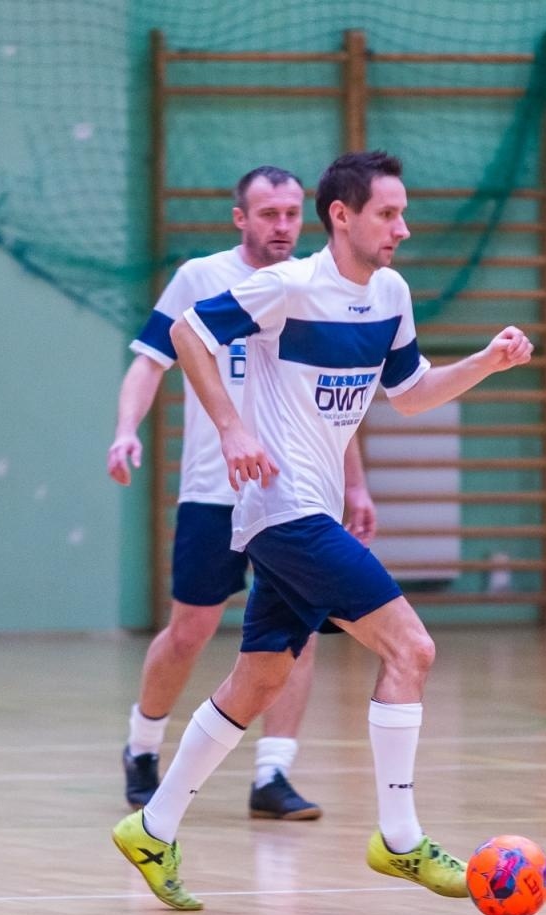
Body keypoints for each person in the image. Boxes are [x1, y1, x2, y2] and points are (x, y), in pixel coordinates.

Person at [112, 149, 532, 910]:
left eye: (403, 214)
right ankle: (400, 839)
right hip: (283, 511)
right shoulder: (289, 286)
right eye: (388, 214)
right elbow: (187, 336)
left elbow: (409, 393)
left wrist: (485, 363)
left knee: (260, 678)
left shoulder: (392, 293)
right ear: (342, 216)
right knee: (412, 648)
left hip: (313, 510)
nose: (402, 228)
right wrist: (232, 428)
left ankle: (152, 826)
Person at [107, 165, 375, 820]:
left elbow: (331, 400)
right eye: (268, 214)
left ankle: (272, 774)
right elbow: (149, 362)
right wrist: (124, 432)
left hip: (293, 495)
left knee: (297, 633)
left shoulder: (312, 285)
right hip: (214, 489)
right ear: (241, 219)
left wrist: (355, 483)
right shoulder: (202, 277)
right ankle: (142, 746)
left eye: (291, 214)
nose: (283, 226)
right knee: (191, 630)